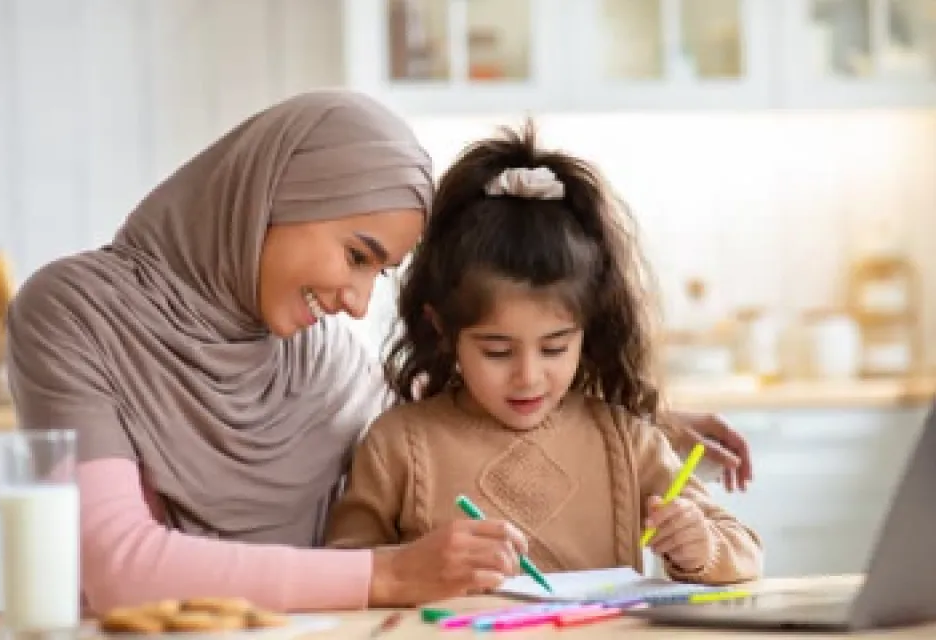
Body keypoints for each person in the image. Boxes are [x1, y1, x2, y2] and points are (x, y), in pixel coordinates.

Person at [5, 89, 751, 614]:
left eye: (380, 272)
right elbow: (117, 567)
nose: (359, 302)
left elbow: (452, 427)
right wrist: (386, 574)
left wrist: (626, 418)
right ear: (274, 197)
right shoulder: (74, 313)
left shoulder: (317, 351)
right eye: (356, 255)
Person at [325, 122, 763, 595]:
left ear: (587, 331)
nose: (528, 377)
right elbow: (345, 572)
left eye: (555, 348)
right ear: (443, 331)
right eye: (496, 351)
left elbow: (744, 552)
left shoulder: (629, 443)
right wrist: (412, 566)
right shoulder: (398, 444)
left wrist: (701, 547)